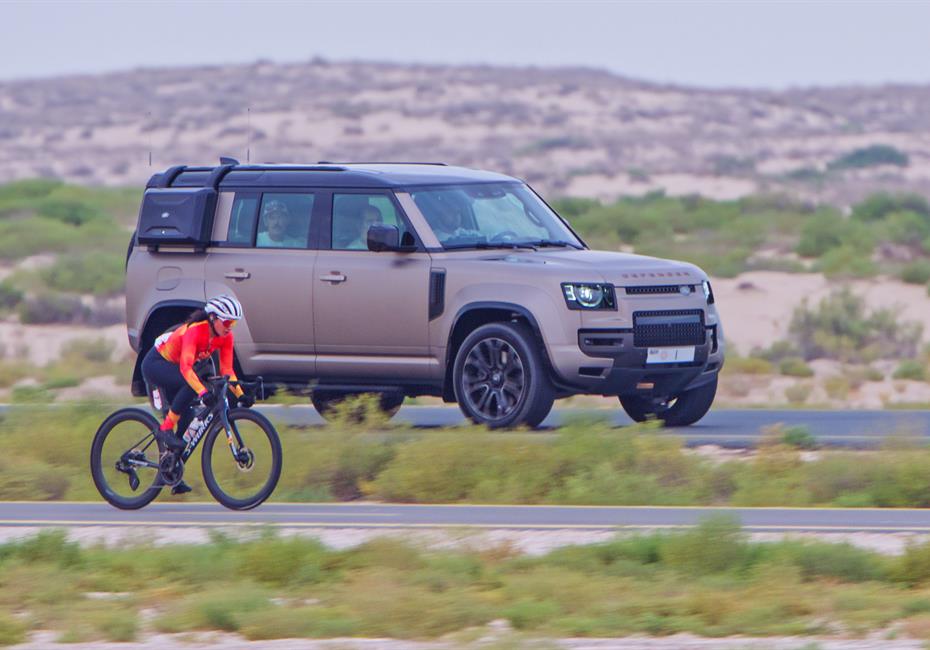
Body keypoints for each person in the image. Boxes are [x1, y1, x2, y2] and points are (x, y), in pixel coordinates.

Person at [141, 295, 252, 494]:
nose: (230, 326)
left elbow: (227, 371)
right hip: (157, 363)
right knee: (191, 386)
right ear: (213, 318)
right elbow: (185, 370)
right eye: (227, 322)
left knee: (189, 417)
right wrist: (202, 392)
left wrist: (241, 393)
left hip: (177, 368)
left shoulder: (226, 336)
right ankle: (165, 429)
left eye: (233, 323)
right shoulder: (195, 331)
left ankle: (172, 472)